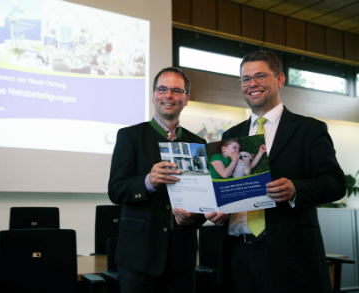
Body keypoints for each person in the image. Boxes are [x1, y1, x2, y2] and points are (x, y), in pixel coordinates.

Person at [205, 51, 346, 293]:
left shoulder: (309, 129)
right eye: (246, 79)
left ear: (279, 79)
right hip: (238, 254)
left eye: (260, 76)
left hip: (290, 257)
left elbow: (335, 183)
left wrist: (295, 190)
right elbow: (225, 186)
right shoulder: (230, 137)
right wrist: (218, 211)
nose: (252, 85)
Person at [108, 67, 228, 293]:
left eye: (176, 91)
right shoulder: (130, 136)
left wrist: (195, 217)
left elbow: (202, 200)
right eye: (162, 89)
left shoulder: (198, 143)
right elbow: (115, 190)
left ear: (186, 98)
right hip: (138, 258)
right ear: (153, 95)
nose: (168, 96)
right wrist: (148, 182)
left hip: (181, 260)